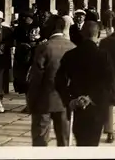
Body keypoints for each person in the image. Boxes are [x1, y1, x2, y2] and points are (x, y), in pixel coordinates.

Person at [55, 21, 113, 146]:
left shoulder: (71, 55)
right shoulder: (103, 56)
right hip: (96, 108)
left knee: (81, 142)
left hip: (76, 107)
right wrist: (90, 97)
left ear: (82, 34)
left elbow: (59, 80)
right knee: (93, 144)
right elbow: (108, 83)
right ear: (98, 34)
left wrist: (69, 100)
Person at [28, 15, 75, 146]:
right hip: (65, 102)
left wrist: (31, 102)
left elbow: (36, 79)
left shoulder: (44, 47)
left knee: (40, 140)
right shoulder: (72, 47)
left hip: (44, 101)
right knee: (64, 140)